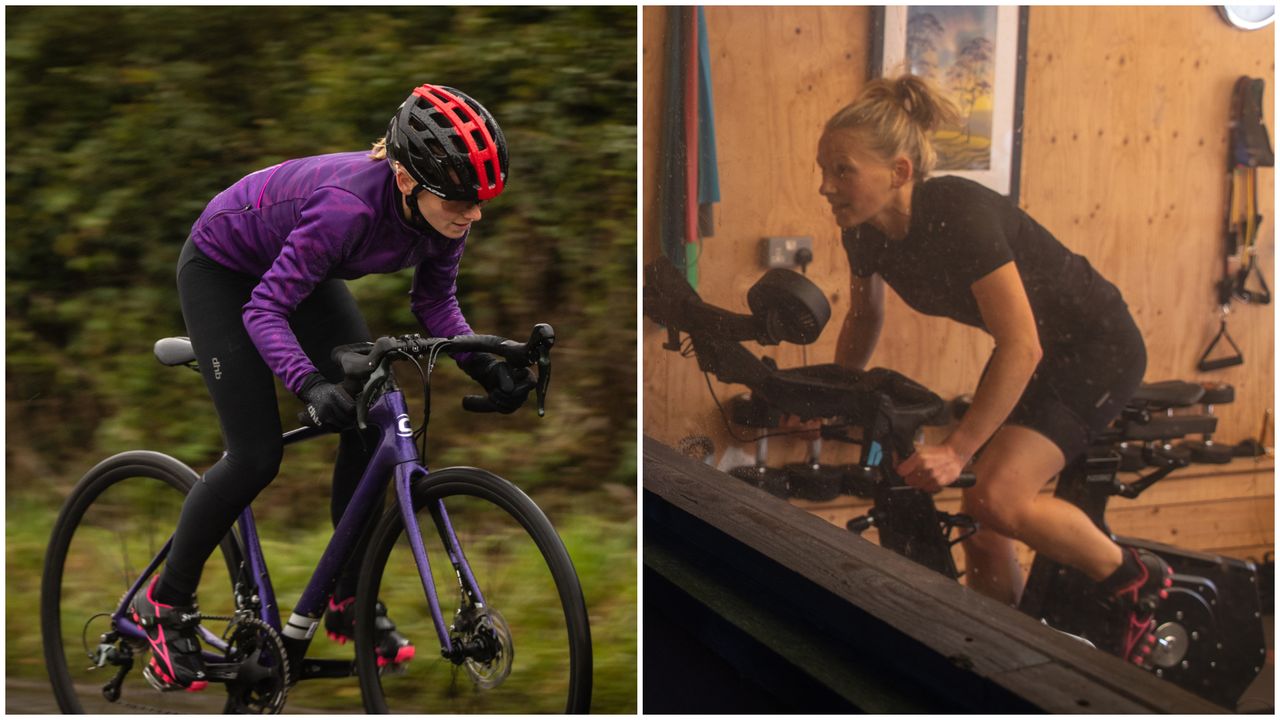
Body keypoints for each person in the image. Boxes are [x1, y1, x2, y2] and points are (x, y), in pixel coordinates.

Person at [129, 84, 535, 691]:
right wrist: (309, 383)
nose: (474, 213)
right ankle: (165, 606)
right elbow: (264, 309)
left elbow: (435, 302)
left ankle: (347, 599)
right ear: (405, 179)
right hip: (222, 270)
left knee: (373, 420)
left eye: (481, 199)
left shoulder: (446, 212)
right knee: (256, 454)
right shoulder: (347, 208)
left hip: (303, 267)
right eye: (460, 199)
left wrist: (484, 364)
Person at [817, 74, 1171, 664]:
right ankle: (1003, 661)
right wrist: (826, 400)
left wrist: (956, 450)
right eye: (823, 170)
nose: (826, 186)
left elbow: (1021, 346)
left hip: (1095, 348)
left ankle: (1132, 577)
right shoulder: (864, 231)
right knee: (982, 531)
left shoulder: (957, 211)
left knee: (995, 500)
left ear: (900, 172)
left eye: (842, 170)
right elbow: (862, 317)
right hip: (1033, 352)